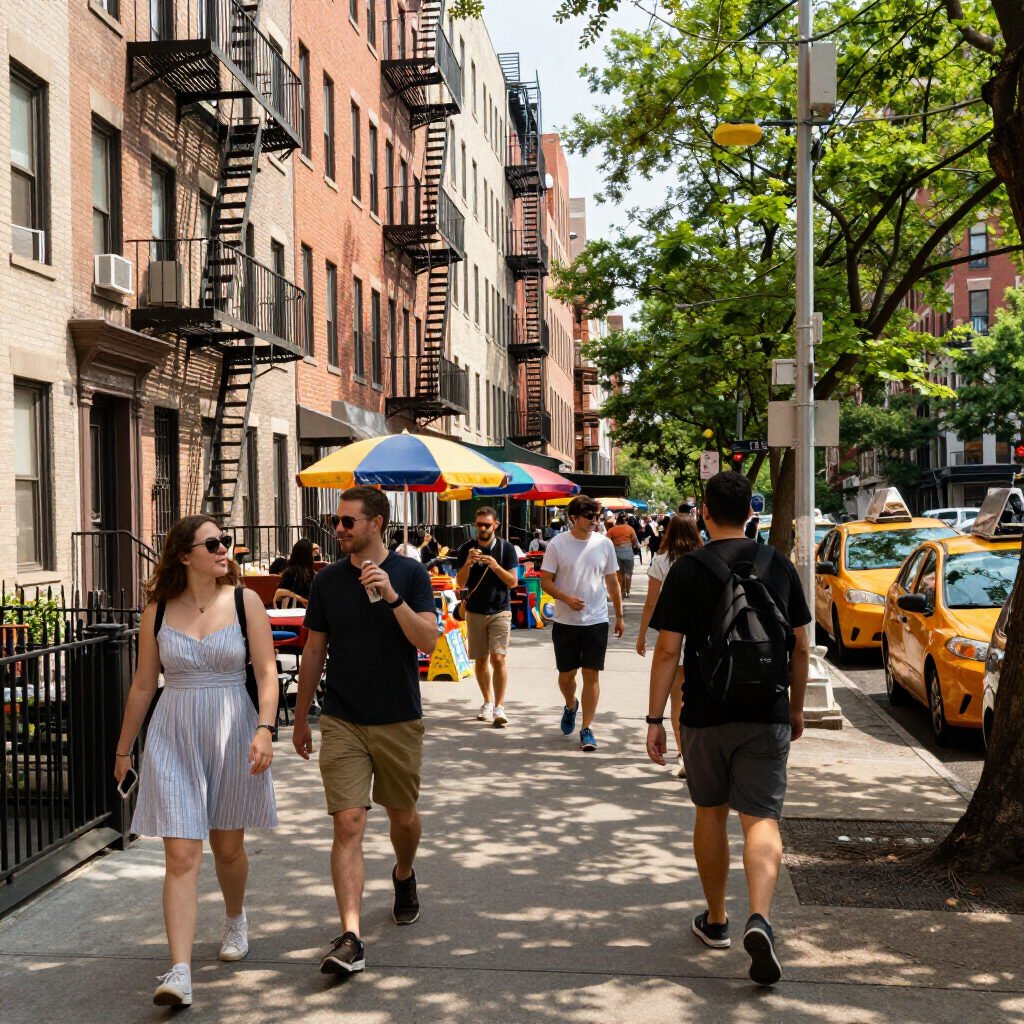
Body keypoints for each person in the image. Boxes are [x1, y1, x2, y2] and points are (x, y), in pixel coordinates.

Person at [645, 472, 810, 987]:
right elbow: (800, 646)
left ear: (705, 516)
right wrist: (797, 708)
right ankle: (758, 917)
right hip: (767, 710)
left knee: (710, 812)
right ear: (750, 514)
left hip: (705, 714)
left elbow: (669, 650)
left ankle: (715, 921)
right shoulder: (778, 564)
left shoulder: (688, 569)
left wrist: (655, 719)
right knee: (760, 819)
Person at [113, 516, 279, 1008]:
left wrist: (266, 729)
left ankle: (234, 918)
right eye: (213, 543)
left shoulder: (246, 602)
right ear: (185, 555)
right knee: (181, 855)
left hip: (233, 728)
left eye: (225, 540)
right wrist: (123, 750)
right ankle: (180, 971)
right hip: (173, 731)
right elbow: (144, 684)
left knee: (227, 849)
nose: (224, 548)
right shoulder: (157, 611)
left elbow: (268, 675)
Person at [292, 487, 439, 976]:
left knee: (403, 817)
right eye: (337, 522)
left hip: (398, 716)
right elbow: (314, 651)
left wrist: (392, 597)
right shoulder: (327, 581)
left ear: (375, 523)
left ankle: (403, 874)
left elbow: (427, 640)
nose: (339, 530)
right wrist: (298, 718)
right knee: (348, 823)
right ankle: (351, 935)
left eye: (348, 522)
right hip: (342, 718)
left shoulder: (411, 573)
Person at [540, 495, 624, 751]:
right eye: (589, 517)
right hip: (565, 621)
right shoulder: (557, 544)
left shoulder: (604, 544)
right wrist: (565, 598)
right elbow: (545, 581)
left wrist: (619, 616)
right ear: (574, 518)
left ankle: (587, 728)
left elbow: (612, 582)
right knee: (566, 676)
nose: (595, 521)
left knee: (591, 674)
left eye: (597, 517)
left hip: (596, 619)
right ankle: (570, 706)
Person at [636, 514, 703, 778]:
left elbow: (651, 604)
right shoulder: (705, 558)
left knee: (678, 699)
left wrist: (642, 635)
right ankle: (697, 751)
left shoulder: (661, 562)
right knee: (697, 696)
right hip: (701, 636)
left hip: (673, 636)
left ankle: (684, 753)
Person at [454, 507, 521, 727]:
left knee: (498, 658)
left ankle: (500, 707)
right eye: (479, 524)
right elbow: (460, 583)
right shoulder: (466, 548)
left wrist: (493, 564)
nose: (482, 528)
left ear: (496, 525)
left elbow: (513, 582)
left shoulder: (506, 548)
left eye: (487, 525)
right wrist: (468, 563)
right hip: (475, 611)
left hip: (500, 610)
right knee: (481, 661)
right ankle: (487, 702)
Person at [273, 537, 316, 608]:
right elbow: (279, 593)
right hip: (293, 611)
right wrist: (298, 597)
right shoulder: (292, 572)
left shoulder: (308, 571)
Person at [606, 512, 641, 597]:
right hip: (628, 554)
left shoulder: (612, 530)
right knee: (628, 574)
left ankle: (620, 591)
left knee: (619, 574)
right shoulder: (630, 529)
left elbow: (606, 543)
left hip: (616, 555)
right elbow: (636, 543)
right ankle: (627, 592)